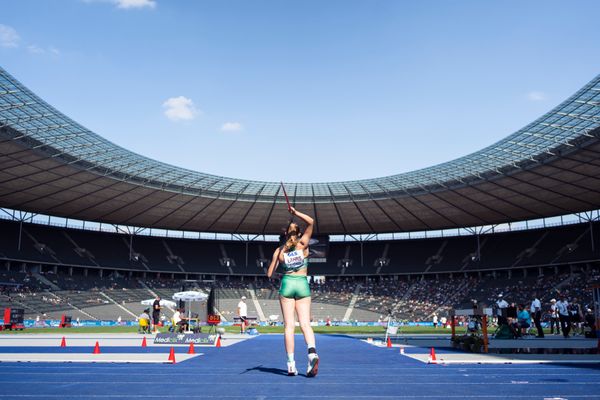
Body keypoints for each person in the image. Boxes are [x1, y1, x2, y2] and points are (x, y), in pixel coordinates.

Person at [267, 206, 319, 377]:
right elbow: (311, 221)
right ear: (298, 232)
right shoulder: (303, 244)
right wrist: (295, 213)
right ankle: (312, 353)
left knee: (289, 326)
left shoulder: (280, 251)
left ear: (285, 234)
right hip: (302, 283)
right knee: (305, 324)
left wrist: (278, 262)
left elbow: (269, 274)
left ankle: (290, 364)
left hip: (287, 283)